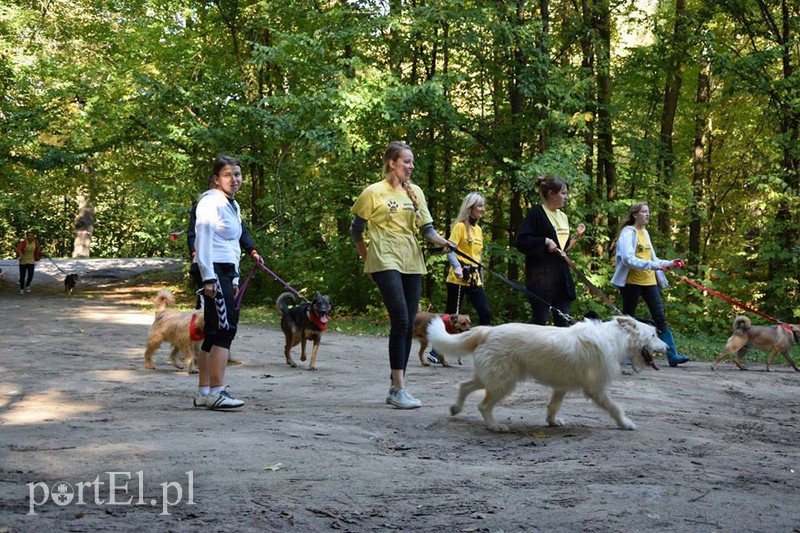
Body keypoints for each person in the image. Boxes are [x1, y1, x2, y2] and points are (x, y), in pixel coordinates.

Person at [350, 141, 455, 409]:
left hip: (412, 260)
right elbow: (355, 230)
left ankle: (396, 384)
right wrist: (368, 258)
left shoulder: (415, 192)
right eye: (406, 162)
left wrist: (443, 242)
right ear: (392, 163)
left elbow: (427, 230)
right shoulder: (373, 192)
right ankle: (399, 389)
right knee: (400, 321)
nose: (411, 166)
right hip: (384, 259)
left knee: (409, 324)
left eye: (412, 162)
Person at [193, 155, 264, 410]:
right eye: (227, 175)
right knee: (225, 331)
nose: (234, 179)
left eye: (237, 174)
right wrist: (209, 277)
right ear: (216, 179)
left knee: (213, 333)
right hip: (214, 272)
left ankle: (204, 392)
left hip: (225, 272)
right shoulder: (211, 203)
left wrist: (234, 276)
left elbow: (232, 243)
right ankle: (217, 391)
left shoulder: (231, 204)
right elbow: (202, 241)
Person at [610, 202, 689, 367]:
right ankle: (625, 353)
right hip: (631, 282)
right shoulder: (627, 233)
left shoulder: (645, 233)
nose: (647, 214)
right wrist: (653, 265)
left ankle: (672, 354)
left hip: (649, 281)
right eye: (644, 212)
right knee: (627, 318)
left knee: (660, 316)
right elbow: (628, 259)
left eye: (648, 211)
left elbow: (654, 260)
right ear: (634, 215)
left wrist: (670, 263)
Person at [515, 177, 585, 326]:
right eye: (564, 193)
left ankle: (561, 350)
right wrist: (544, 241)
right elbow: (521, 241)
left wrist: (577, 236)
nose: (566, 197)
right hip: (541, 277)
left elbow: (562, 248)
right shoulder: (536, 214)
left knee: (563, 321)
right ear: (552, 193)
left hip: (561, 277)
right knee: (540, 321)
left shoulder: (563, 217)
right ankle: (517, 339)